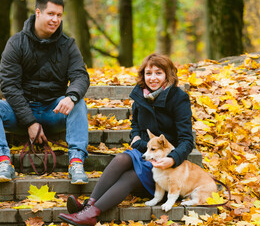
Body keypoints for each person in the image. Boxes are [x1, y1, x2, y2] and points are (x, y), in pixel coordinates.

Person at [58, 53, 194, 225]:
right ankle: (88, 206)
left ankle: (90, 215)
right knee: (122, 158)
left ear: (168, 75)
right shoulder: (140, 95)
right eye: (148, 73)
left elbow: (187, 140)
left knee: (130, 176)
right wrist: (136, 138)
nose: (153, 78)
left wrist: (171, 159)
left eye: (158, 73)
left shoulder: (178, 98)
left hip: (167, 165)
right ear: (143, 75)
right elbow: (135, 125)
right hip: (146, 154)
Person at [0, 0, 90, 184]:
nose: (55, 20)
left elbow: (81, 76)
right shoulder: (16, 43)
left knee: (79, 103)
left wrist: (71, 97)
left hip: (53, 110)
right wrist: (30, 122)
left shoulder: (68, 45)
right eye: (51, 14)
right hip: (20, 113)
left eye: (59, 15)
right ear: (38, 12)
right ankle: (4, 163)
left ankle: (76, 163)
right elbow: (10, 85)